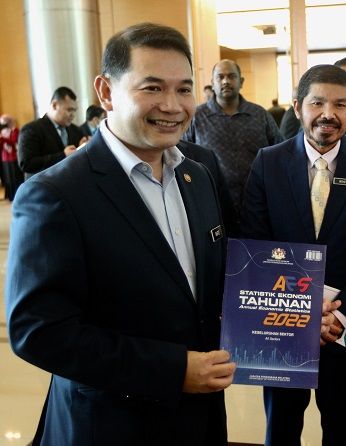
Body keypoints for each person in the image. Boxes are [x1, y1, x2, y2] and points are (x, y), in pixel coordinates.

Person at [6, 23, 237, 446]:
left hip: (199, 419)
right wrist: (171, 370)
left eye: (184, 89)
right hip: (111, 424)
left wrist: (298, 313)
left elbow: (210, 282)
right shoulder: (54, 194)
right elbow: (38, 331)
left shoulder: (197, 175)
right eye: (152, 88)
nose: (172, 105)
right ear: (106, 92)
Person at [240, 64, 346, 446]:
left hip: (341, 328)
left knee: (340, 426)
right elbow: (255, 247)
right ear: (297, 108)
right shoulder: (268, 163)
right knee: (281, 427)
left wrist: (339, 315)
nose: (329, 113)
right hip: (281, 327)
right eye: (318, 102)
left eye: (340, 104)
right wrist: (302, 315)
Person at [183, 59, 282, 221]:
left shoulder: (259, 115)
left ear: (241, 81)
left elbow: (279, 153)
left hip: (258, 204)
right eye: (220, 77)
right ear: (212, 83)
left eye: (231, 76)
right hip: (212, 204)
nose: (226, 81)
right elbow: (182, 158)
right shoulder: (196, 117)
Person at [18, 86, 87, 179]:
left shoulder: (76, 130)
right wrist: (63, 155)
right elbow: (26, 164)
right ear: (54, 105)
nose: (73, 115)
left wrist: (83, 147)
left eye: (74, 110)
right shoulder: (32, 129)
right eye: (69, 110)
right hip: (42, 187)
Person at [0, 114, 23, 200]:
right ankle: (10, 195)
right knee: (8, 178)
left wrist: (3, 139)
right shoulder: (2, 132)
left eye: (5, 122)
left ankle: (16, 195)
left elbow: (14, 142)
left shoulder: (15, 130)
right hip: (5, 157)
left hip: (13, 157)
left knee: (15, 177)